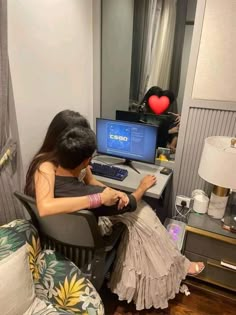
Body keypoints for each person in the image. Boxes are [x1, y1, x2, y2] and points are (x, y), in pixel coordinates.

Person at [25, 111, 204, 311]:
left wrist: (113, 192)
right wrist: (138, 189)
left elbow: (91, 181)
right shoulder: (50, 170)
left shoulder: (47, 163)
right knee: (142, 213)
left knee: (138, 217)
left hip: (63, 233)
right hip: (88, 231)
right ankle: (169, 269)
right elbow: (127, 202)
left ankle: (169, 265)